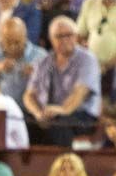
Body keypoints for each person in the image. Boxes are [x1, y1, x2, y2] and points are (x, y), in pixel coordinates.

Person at [23, 16, 100, 147]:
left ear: (76, 36)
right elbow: (29, 95)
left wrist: (60, 110)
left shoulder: (87, 59)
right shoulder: (44, 61)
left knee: (59, 123)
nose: (64, 40)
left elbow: (79, 94)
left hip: (80, 115)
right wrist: (38, 113)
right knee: (23, 120)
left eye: (68, 35)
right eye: (59, 36)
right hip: (47, 113)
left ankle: (61, 162)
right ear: (51, 39)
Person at [0, 16, 46, 105]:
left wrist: (37, 74)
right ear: (1, 40)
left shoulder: (40, 55)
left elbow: (51, 85)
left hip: (29, 112)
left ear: (25, 37)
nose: (13, 47)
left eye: (17, 42)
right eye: (8, 42)